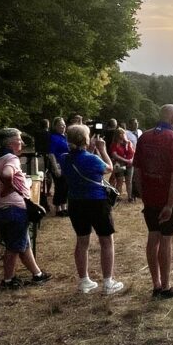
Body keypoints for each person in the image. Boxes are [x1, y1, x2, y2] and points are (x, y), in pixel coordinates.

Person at [60, 124, 124, 295]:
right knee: (106, 241)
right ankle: (108, 282)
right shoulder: (92, 159)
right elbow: (109, 168)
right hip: (96, 202)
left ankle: (84, 281)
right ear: (86, 140)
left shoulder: (65, 158)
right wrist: (102, 150)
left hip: (75, 203)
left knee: (82, 242)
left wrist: (91, 149)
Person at [135, 104, 173, 299]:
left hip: (150, 198)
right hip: (170, 200)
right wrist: (169, 205)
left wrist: (144, 198)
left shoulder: (144, 137)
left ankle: (155, 284)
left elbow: (137, 172)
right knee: (166, 239)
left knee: (153, 236)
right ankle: (165, 286)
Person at [0, 128, 51, 289]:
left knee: (23, 243)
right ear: (10, 143)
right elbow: (8, 174)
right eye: (19, 139)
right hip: (13, 209)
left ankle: (38, 275)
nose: (22, 142)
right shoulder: (11, 159)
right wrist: (9, 186)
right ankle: (8, 280)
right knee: (14, 247)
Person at [47, 117, 69, 217]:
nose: (63, 126)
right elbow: (51, 154)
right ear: (55, 126)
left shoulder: (65, 136)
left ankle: (64, 207)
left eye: (64, 124)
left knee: (65, 187)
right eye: (61, 125)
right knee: (59, 187)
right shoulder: (53, 137)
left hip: (66, 165)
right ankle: (58, 208)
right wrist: (55, 167)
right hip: (58, 165)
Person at [108, 127, 135, 201]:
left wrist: (131, 160)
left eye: (123, 133)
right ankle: (118, 195)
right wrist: (126, 160)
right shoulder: (114, 144)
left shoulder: (129, 143)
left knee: (129, 181)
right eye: (121, 133)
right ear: (118, 135)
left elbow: (133, 153)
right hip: (119, 164)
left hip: (129, 164)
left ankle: (130, 197)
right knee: (119, 180)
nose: (123, 134)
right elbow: (114, 155)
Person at [125, 118, 141, 201]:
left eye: (136, 123)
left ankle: (138, 192)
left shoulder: (140, 132)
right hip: (131, 157)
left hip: (140, 155)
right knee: (131, 176)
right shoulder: (126, 133)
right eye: (134, 123)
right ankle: (132, 194)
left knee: (138, 175)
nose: (136, 125)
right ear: (130, 125)